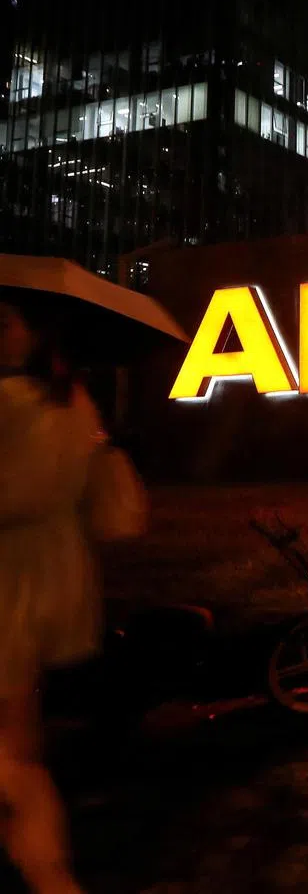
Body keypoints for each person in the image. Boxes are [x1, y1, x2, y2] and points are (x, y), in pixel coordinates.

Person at [0, 294, 144, 894]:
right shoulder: (75, 402)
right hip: (60, 575)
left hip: (9, 580)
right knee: (20, 739)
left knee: (15, 751)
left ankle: (48, 871)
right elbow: (116, 517)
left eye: (5, 320)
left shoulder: (6, 405)